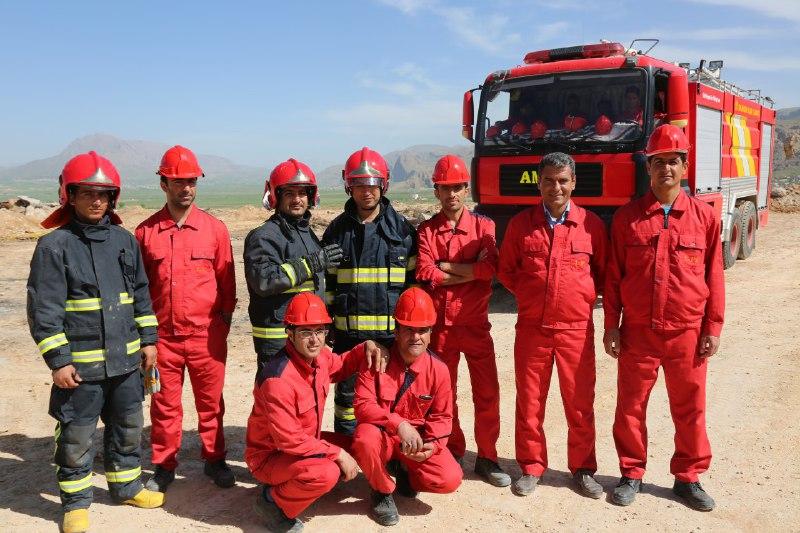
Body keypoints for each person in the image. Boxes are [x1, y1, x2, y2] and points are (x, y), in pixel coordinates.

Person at [27, 152, 163, 533]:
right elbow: (44, 311)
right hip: (80, 369)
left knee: (128, 427)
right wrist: (59, 360)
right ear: (69, 196)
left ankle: (127, 486)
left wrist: (149, 341)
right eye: (87, 193)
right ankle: (75, 504)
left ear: (113, 198)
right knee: (76, 435)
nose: (96, 200)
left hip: (126, 364)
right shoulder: (54, 246)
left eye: (103, 194)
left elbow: (140, 295)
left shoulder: (124, 241)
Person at [603, 124, 724, 511]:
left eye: (673, 161)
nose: (666, 169)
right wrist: (611, 326)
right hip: (639, 332)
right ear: (648, 168)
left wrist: (712, 327)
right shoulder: (628, 218)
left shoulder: (705, 218)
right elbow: (614, 279)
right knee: (630, 406)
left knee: (690, 408)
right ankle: (631, 473)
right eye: (658, 162)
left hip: (687, 333)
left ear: (685, 167)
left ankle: (688, 477)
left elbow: (714, 277)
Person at [498, 152, 608, 498]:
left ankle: (583, 469)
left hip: (576, 330)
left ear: (573, 183)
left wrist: (578, 297)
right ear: (539, 182)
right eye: (549, 180)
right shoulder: (521, 225)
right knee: (530, 402)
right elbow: (507, 270)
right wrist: (532, 295)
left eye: (562, 180)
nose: (556, 187)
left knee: (579, 403)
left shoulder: (591, 225)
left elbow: (603, 274)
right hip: (533, 328)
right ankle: (531, 467)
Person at [136, 145, 237, 492]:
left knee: (211, 404)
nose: (186, 188)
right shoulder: (145, 233)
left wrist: (221, 326)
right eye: (178, 182)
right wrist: (146, 338)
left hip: (207, 336)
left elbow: (227, 284)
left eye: (191, 181)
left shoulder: (215, 230)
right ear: (163, 184)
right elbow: (139, 289)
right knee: (164, 405)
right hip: (162, 339)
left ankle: (215, 459)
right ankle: (164, 465)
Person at [245, 293, 389, 532]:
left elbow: (342, 364)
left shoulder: (319, 358)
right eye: (305, 332)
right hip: (271, 457)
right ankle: (273, 503)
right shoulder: (277, 379)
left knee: (359, 445)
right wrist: (337, 453)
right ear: (290, 333)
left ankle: (293, 483)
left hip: (305, 445)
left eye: (319, 331)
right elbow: (290, 440)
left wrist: (367, 347)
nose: (314, 340)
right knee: (327, 472)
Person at [415, 154, 510, 487]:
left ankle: (488, 457)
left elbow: (490, 269)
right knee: (445, 396)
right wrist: (471, 272)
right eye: (445, 188)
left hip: (475, 326)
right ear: (437, 192)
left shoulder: (484, 227)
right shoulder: (427, 230)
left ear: (466, 189)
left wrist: (447, 267)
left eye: (457, 187)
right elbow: (425, 272)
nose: (451, 194)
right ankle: (452, 450)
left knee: (487, 394)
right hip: (441, 329)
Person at [323, 147, 417, 436]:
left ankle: (386, 454)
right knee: (347, 404)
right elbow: (329, 285)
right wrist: (328, 324)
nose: (367, 192)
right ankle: (347, 452)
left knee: (390, 400)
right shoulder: (336, 232)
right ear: (349, 187)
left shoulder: (403, 233)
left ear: (383, 185)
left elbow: (412, 289)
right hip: (348, 341)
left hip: (391, 339)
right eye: (359, 185)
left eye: (373, 184)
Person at [352, 288, 462, 526]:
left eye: (422, 330)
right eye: (409, 329)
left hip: (414, 443)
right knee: (364, 438)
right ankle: (381, 490)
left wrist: (432, 446)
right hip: (382, 436)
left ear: (431, 333)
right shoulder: (376, 359)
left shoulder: (439, 370)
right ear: (396, 331)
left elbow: (443, 417)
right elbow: (363, 406)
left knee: (450, 478)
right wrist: (399, 424)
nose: (416, 337)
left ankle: (405, 471)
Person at [244, 158, 343, 374]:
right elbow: (264, 280)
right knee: (277, 395)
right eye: (289, 193)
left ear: (311, 196)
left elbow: (316, 287)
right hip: (278, 343)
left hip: (307, 339)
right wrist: (312, 263)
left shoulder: (307, 235)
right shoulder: (264, 236)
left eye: (302, 193)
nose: (297, 199)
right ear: (275, 196)